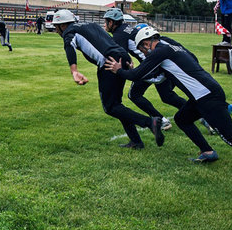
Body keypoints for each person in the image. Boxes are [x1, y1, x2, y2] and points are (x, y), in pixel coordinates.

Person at [104, 27, 232, 183]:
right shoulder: (172, 47)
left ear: (146, 43)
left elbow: (137, 76)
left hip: (207, 97)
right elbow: (158, 74)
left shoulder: (160, 51)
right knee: (182, 119)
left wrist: (119, 70)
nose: (143, 53)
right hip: (202, 96)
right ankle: (207, 152)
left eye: (142, 50)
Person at [52, 9, 163, 149]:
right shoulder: (91, 25)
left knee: (111, 107)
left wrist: (74, 71)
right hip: (121, 57)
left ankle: (150, 123)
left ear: (63, 25)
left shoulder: (69, 32)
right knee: (117, 104)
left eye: (56, 27)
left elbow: (69, 46)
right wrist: (125, 60)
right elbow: (110, 41)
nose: (56, 31)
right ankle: (136, 141)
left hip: (109, 63)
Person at [103, 9, 185, 131]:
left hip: (152, 66)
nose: (104, 24)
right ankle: (200, 113)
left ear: (111, 22)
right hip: (161, 63)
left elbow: (120, 56)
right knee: (167, 96)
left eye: (106, 22)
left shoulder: (119, 34)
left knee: (134, 94)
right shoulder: (127, 28)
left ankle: (160, 120)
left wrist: (123, 70)